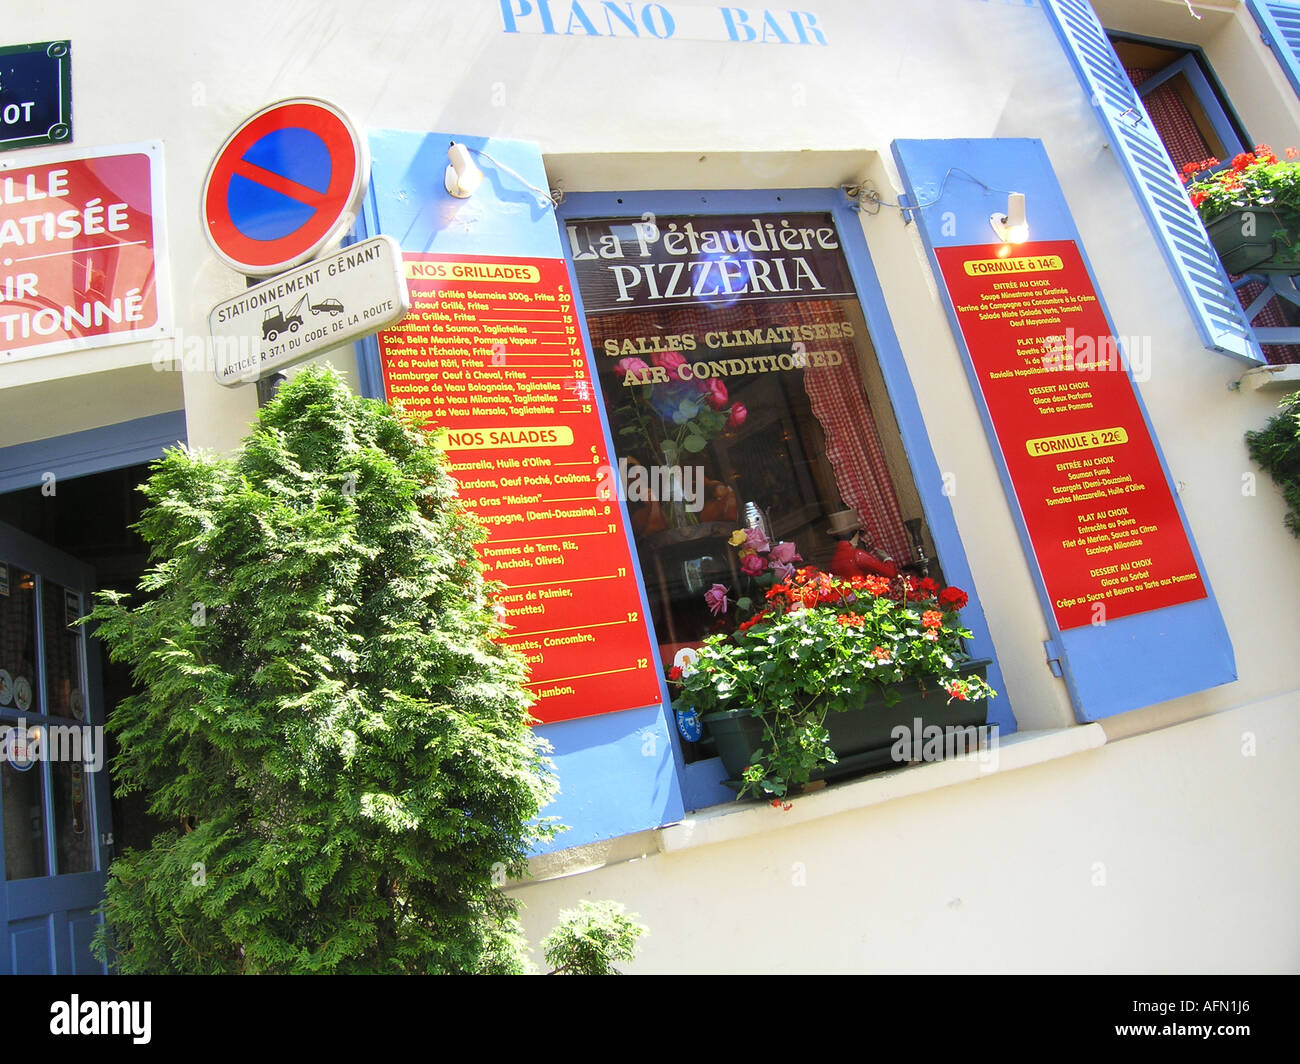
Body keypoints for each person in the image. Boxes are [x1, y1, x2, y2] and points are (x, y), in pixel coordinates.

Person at [826, 509, 897, 580]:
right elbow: (890, 573)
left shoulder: (834, 559)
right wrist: (887, 558)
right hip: (863, 590)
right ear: (856, 534)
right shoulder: (857, 555)